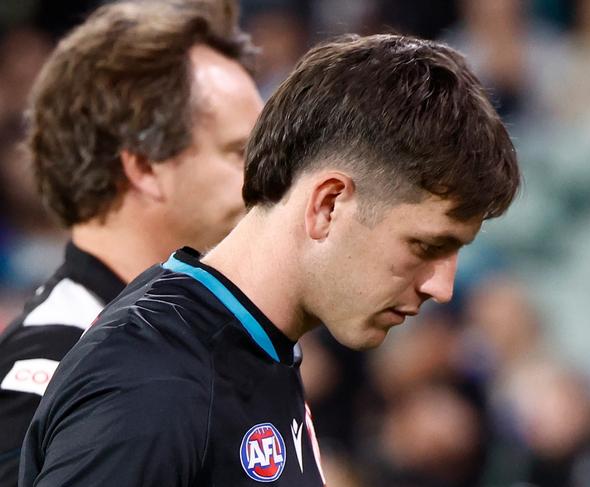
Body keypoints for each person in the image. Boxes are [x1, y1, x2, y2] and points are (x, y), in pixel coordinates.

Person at [20, 34, 520, 486]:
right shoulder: (154, 384)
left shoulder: (249, 343)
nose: (443, 287)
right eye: (426, 247)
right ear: (328, 205)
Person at [0, 1, 263, 485]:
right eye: (238, 153)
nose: (262, 183)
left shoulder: (208, 341)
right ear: (143, 167)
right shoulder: (50, 366)